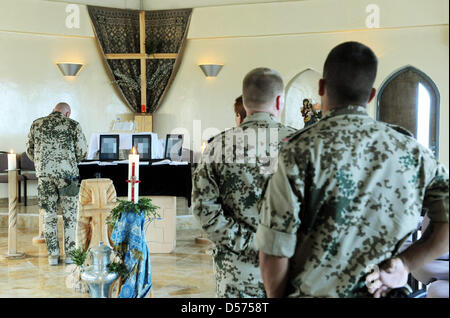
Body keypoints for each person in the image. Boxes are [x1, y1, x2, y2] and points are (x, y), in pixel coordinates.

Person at [254, 41, 449, 298]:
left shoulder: (296, 152)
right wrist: (406, 263)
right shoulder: (414, 153)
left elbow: (274, 251)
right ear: (371, 95)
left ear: (321, 88)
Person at [192, 68, 296, 297]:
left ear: (245, 103)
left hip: (236, 272)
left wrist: (249, 243)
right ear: (280, 101)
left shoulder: (217, 146)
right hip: (288, 270)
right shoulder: (302, 144)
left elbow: (203, 209)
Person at [26, 102, 88, 266]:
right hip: (68, 176)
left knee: (49, 215)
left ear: (54, 110)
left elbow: (30, 150)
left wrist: (42, 164)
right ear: (67, 113)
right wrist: (69, 161)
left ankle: (52, 256)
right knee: (70, 216)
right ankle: (70, 255)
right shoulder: (73, 124)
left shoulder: (37, 124)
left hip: (44, 176)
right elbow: (82, 151)